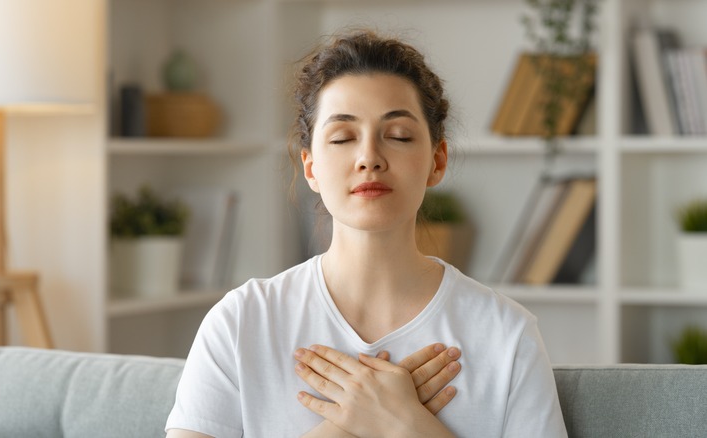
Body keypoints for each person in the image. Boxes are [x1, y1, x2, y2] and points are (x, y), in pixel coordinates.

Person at [165, 30, 567, 437]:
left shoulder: (506, 335)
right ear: (310, 168)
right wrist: (346, 424)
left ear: (437, 161)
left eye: (398, 136)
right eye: (342, 138)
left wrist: (408, 425)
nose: (369, 158)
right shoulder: (242, 322)